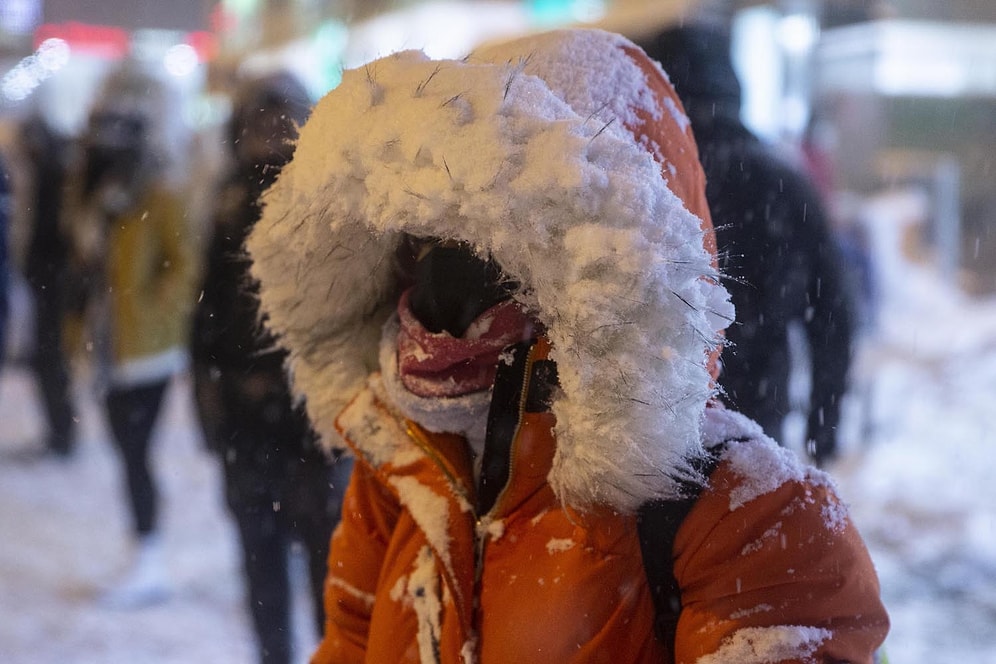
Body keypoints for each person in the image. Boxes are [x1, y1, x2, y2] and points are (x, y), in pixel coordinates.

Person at [246, 28, 889, 663]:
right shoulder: (404, 470)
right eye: (428, 238)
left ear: (608, 263)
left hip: (691, 420)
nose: (444, 288)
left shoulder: (756, 526)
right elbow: (351, 642)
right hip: (735, 380)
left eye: (497, 247)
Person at [639, 24, 857, 466]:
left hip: (645, 431)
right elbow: (833, 313)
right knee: (747, 507)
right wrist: (824, 423)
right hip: (755, 425)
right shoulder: (784, 184)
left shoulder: (638, 178)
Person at [191, 71, 351, 664]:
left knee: (331, 580)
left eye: (281, 119)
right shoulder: (228, 199)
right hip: (245, 424)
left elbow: (345, 312)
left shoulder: (325, 195)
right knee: (262, 573)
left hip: (312, 425)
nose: (270, 132)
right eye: (259, 120)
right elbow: (206, 316)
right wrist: (212, 410)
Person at [64, 61, 200, 607]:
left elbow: (184, 267)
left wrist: (151, 312)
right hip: (107, 347)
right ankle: (143, 549)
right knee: (126, 452)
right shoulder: (100, 194)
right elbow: (86, 265)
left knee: (136, 452)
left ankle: (149, 555)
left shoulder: (160, 194)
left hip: (146, 352)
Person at [18, 113, 77, 457]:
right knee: (49, 359)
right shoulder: (49, 176)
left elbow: (54, 237)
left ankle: (62, 431)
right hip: (48, 282)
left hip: (53, 284)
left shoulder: (54, 179)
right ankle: (60, 429)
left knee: (51, 359)